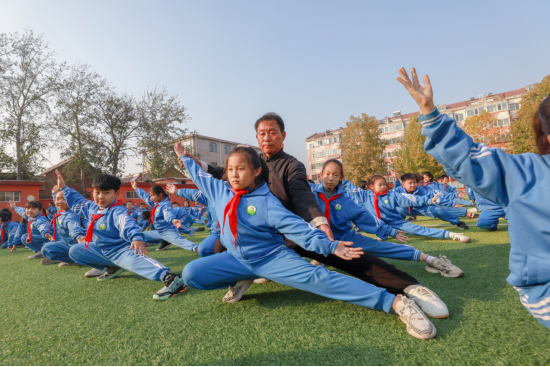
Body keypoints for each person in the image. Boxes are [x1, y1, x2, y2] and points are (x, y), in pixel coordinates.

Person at [177, 143, 438, 340]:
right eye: (230, 169)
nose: (234, 175)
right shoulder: (219, 190)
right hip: (237, 259)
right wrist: (183, 158)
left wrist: (331, 246)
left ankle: (397, 303)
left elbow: (300, 230)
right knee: (192, 274)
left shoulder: (267, 203)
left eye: (241, 169)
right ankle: (240, 279)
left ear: (256, 171)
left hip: (272, 259)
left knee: (321, 279)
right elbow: (199, 176)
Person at [397, 66, 550, 329]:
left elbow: (434, 199)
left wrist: (450, 203)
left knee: (447, 210)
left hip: (451, 208)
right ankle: (462, 222)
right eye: (411, 182)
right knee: (455, 216)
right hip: (544, 285)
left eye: (416, 182)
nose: (415, 184)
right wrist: (430, 113)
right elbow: (468, 161)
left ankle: (462, 220)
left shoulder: (427, 189)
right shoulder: (530, 172)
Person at [311, 159, 451, 318]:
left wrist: (391, 232)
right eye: (327, 174)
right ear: (320, 175)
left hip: (345, 237)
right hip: (317, 238)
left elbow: (365, 217)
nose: (330, 178)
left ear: (341, 177)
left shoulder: (346, 199)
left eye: (335, 175)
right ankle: (319, 259)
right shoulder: (309, 194)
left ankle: (428, 258)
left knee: (379, 247)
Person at [53, 170, 187, 301]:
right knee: (76, 250)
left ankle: (171, 278)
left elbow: (126, 223)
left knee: (135, 261)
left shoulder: (116, 211)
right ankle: (112, 267)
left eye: (106, 193)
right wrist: (63, 187)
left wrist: (136, 238)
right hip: (103, 250)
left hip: (120, 250)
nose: (100, 197)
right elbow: (77, 201)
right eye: (97, 192)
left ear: (116, 193)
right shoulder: (91, 207)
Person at [342, 176, 466, 278]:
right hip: (378, 225)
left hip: (396, 223)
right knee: (363, 228)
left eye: (384, 184)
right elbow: (351, 188)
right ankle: (382, 235)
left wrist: (428, 201)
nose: (383, 186)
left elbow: (412, 199)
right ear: (371, 187)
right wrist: (341, 178)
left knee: (419, 230)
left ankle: (450, 234)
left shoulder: (392, 195)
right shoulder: (365, 195)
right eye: (380, 185)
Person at [131, 181, 198, 253]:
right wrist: (135, 188)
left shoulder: (165, 204)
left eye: (153, 195)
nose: (151, 197)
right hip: (158, 232)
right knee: (138, 236)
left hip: (168, 231)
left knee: (181, 241)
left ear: (160, 194)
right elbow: (145, 196)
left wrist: (173, 220)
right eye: (151, 195)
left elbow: (167, 214)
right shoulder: (156, 203)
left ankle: (198, 249)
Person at [395, 173, 470, 230]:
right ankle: (399, 227)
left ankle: (458, 222)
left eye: (414, 182)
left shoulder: (420, 189)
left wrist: (452, 203)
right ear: (403, 184)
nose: (413, 185)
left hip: (420, 208)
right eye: (410, 183)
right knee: (399, 209)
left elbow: (435, 197)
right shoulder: (397, 190)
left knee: (439, 211)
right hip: (405, 209)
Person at [40, 185, 88, 268]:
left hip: (78, 243)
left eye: (64, 199)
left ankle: (83, 259)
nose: (60, 201)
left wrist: (78, 236)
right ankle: (73, 260)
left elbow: (73, 226)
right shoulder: (61, 210)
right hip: (67, 244)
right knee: (46, 248)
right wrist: (54, 193)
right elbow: (58, 204)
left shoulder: (70, 214)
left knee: (75, 250)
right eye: (57, 199)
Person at [166, 185, 219, 258]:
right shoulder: (209, 196)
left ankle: (197, 226)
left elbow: (191, 213)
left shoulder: (190, 208)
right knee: (202, 251)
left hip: (192, 217)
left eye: (186, 203)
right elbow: (195, 194)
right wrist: (177, 191)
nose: (185, 204)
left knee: (181, 224)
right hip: (214, 228)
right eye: (184, 203)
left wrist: (195, 218)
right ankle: (196, 228)